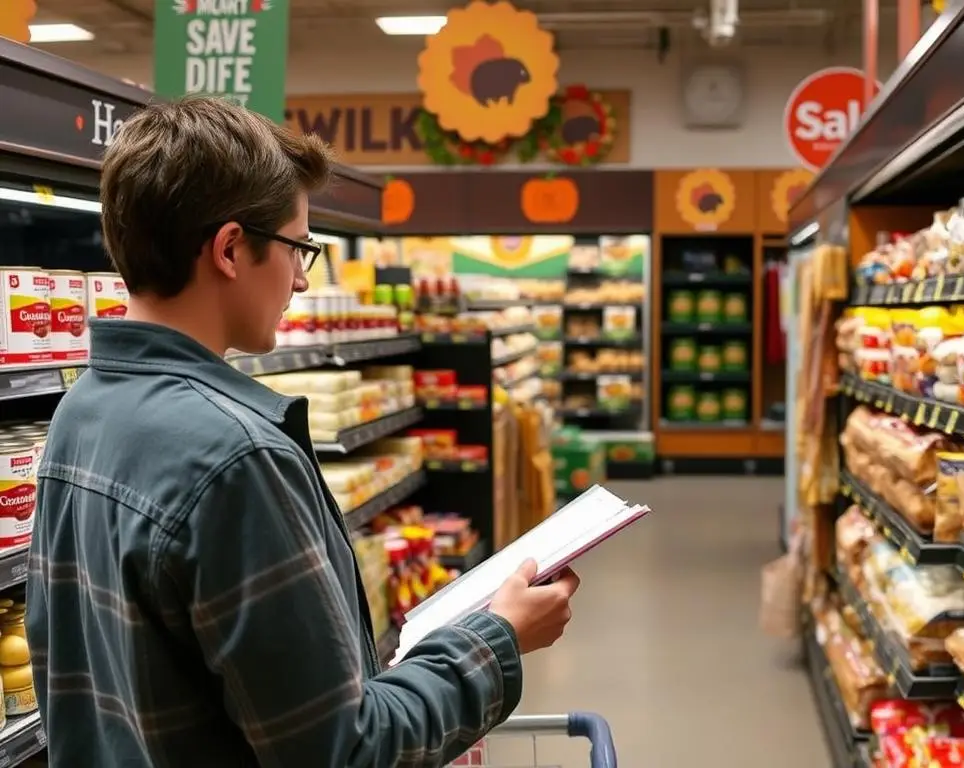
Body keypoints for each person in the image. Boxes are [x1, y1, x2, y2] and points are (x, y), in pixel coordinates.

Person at [25, 95, 580, 767]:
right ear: (230, 249)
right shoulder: (236, 458)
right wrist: (498, 638)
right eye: (298, 248)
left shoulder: (79, 414)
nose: (298, 278)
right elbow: (343, 750)